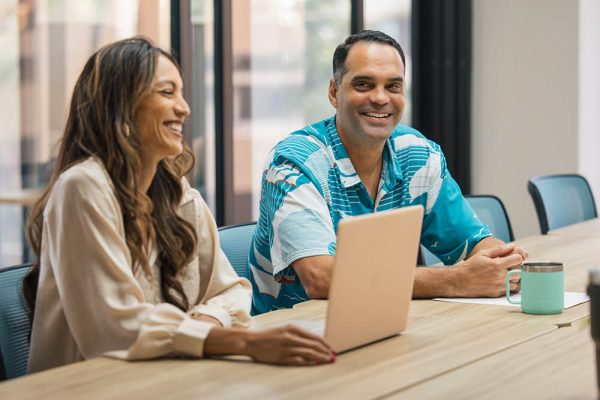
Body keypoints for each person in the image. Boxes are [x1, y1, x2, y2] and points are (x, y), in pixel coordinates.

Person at [23, 37, 334, 372]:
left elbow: (232, 290)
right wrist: (243, 342)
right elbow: (114, 329)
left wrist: (203, 322)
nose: (184, 108)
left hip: (163, 376)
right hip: (87, 386)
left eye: (181, 93)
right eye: (167, 92)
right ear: (122, 105)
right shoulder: (83, 187)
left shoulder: (178, 194)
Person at [248, 30, 527, 315]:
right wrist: (457, 280)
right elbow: (321, 278)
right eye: (364, 84)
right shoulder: (294, 163)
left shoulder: (418, 154)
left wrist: (498, 263)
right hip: (295, 339)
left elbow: (475, 243)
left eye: (393, 86)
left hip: (384, 323)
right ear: (334, 92)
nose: (380, 98)